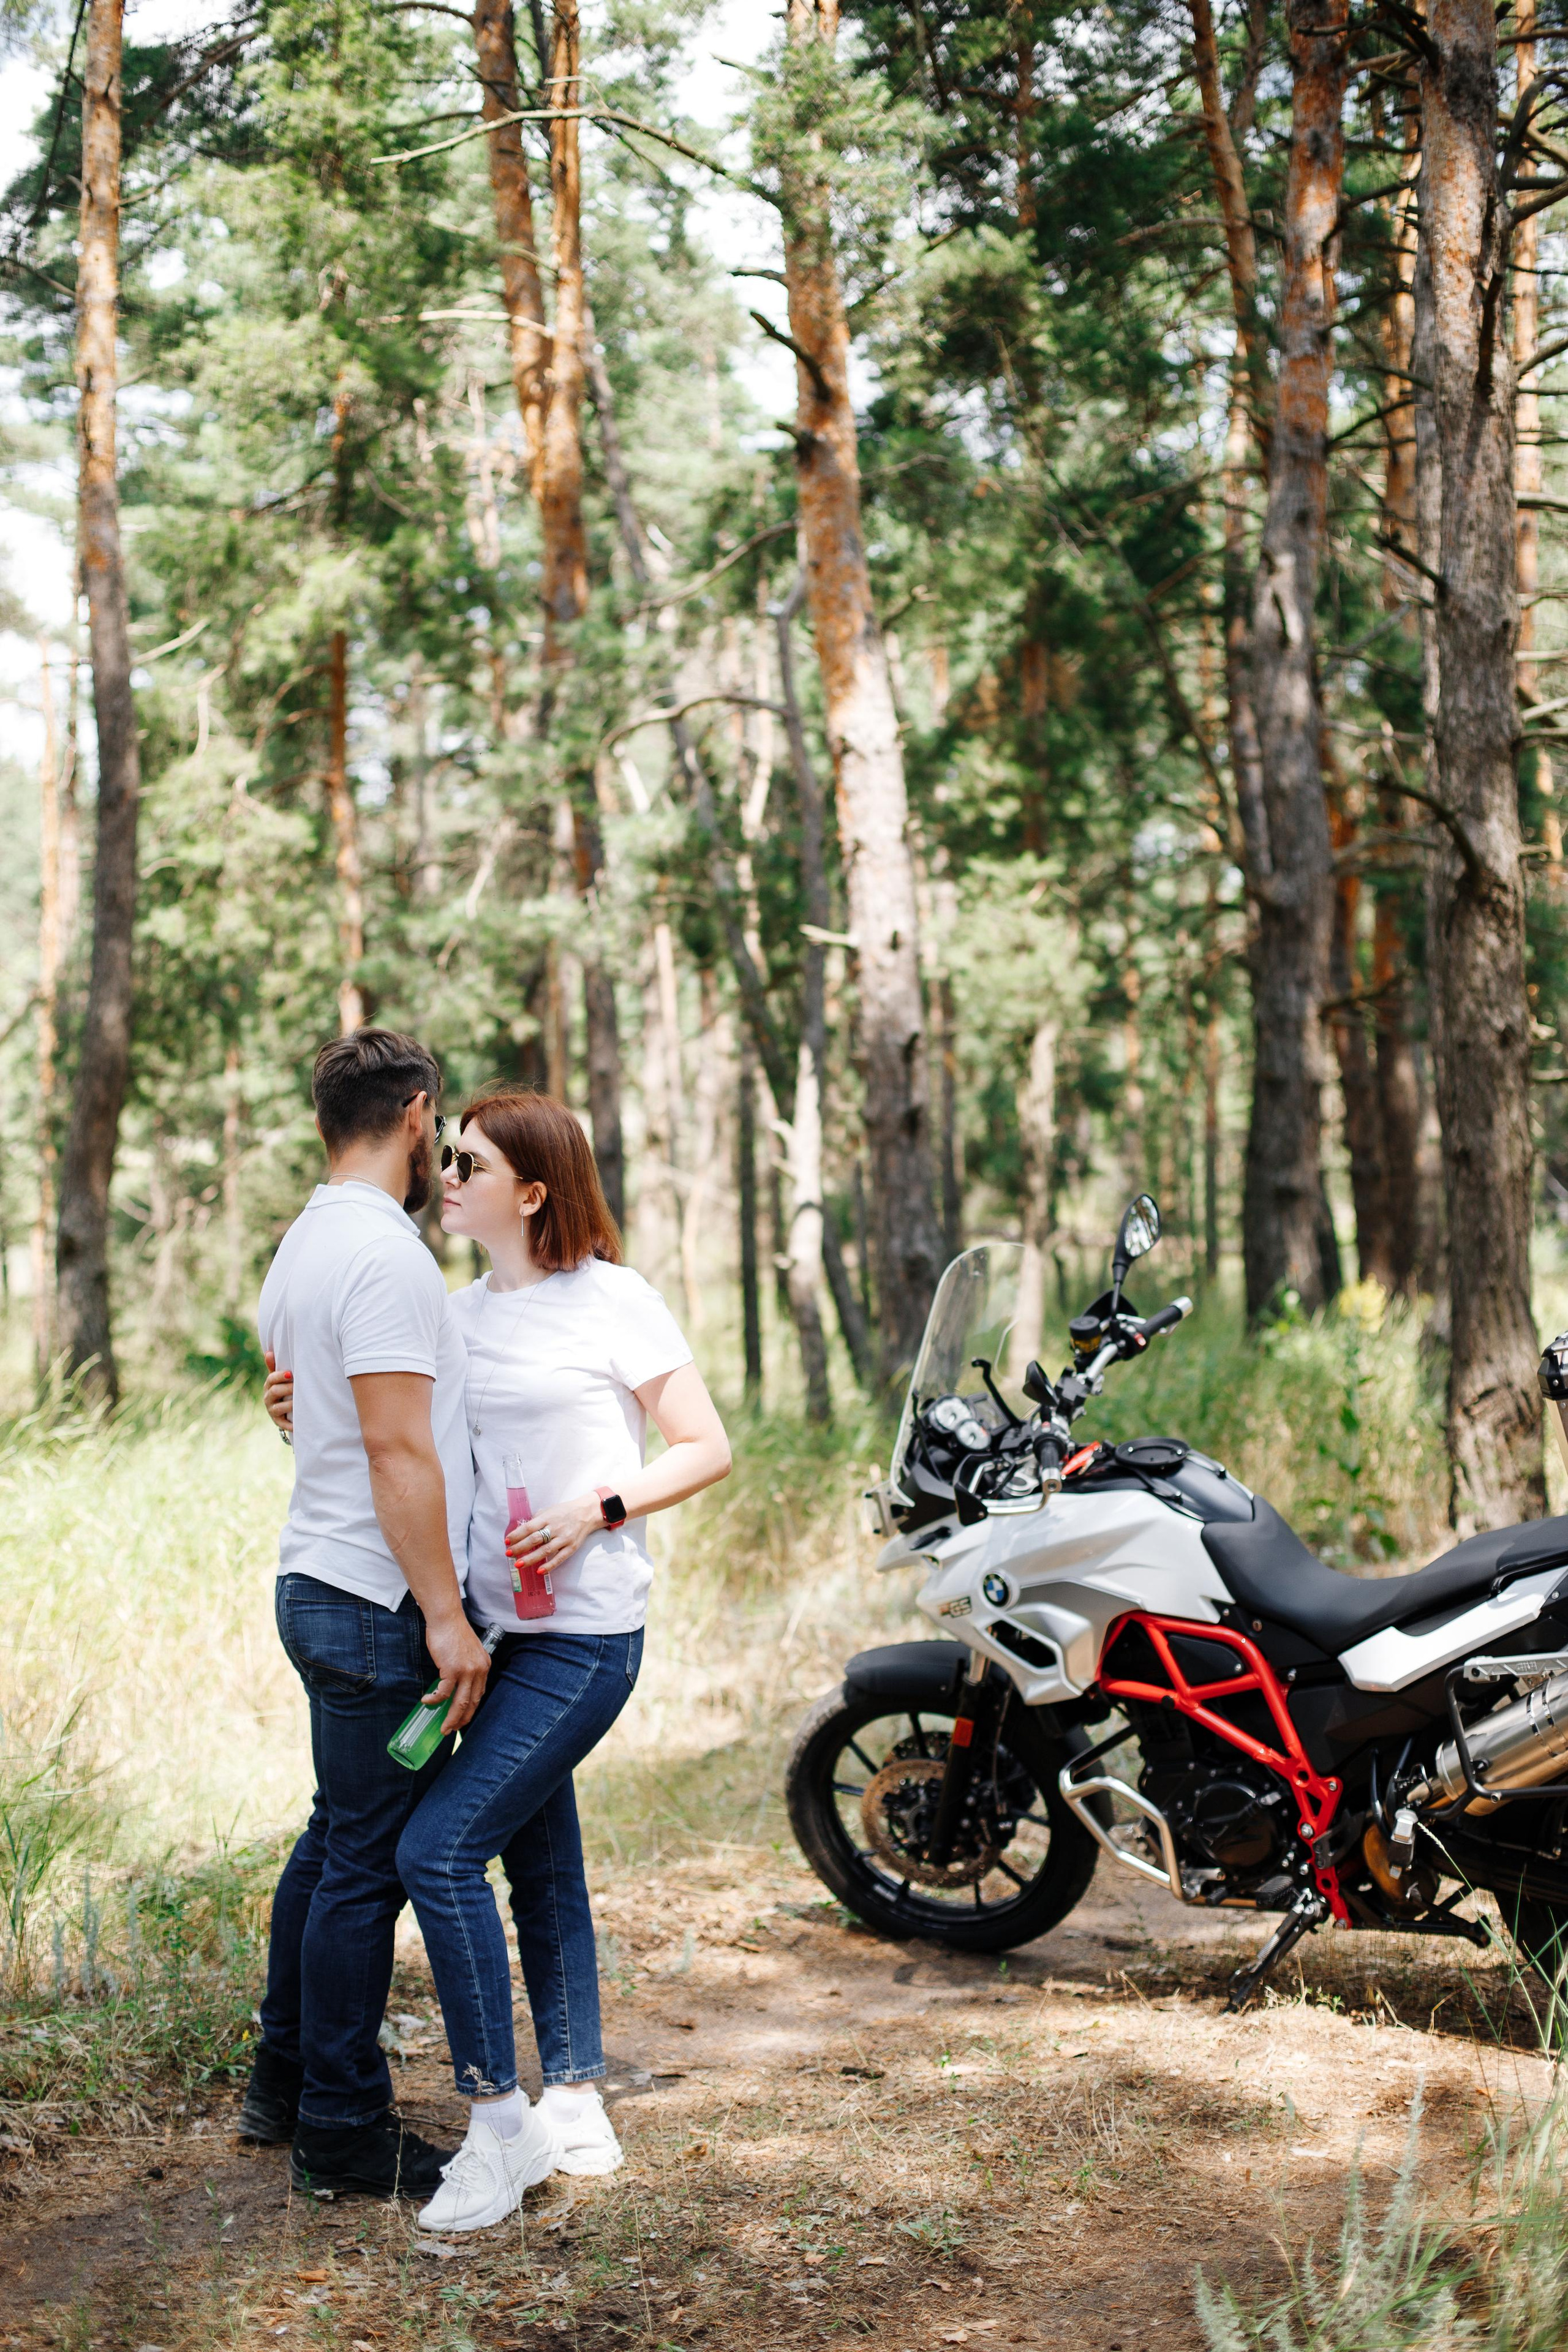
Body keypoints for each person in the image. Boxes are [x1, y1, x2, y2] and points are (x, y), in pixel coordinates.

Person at [266, 1089, 730, 2234]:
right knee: (542, 1862)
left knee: (436, 1848)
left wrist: (598, 1508)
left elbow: (707, 1445)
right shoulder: (454, 1312)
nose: (448, 1169)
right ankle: (575, 2096)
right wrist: (294, 1399)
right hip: (486, 1635)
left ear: (532, 1191)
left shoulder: (612, 1300)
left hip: (582, 1638)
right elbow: (390, 1421)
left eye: (471, 1159)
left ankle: (499, 2125)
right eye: (449, 1150)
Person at [241, 1032, 540, 2204]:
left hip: (313, 1582)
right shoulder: (388, 1258)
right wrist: (444, 1618)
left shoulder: (303, 1243)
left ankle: (283, 2084)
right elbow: (392, 1446)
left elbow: (314, 1406)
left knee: (335, 1842)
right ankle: (343, 2135)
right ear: (416, 1116)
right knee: (366, 1866)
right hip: (371, 1599)